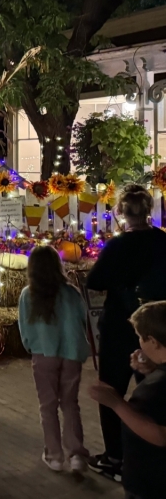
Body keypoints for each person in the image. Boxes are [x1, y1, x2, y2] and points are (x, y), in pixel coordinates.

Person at [85, 184, 166, 480]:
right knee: (155, 390)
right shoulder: (162, 240)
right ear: (148, 210)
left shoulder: (118, 246)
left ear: (120, 211)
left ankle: (115, 457)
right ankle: (154, 447)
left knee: (112, 391)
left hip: (120, 326)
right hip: (157, 326)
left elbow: (94, 281)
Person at [89, 301, 166, 499]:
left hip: (153, 492)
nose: (138, 343)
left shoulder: (159, 387)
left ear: (153, 341)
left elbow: (160, 434)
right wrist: (153, 368)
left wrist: (116, 403)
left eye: (141, 338)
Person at [17, 245, 90, 473]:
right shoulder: (71, 292)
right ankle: (76, 454)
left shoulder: (28, 294)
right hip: (72, 353)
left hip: (44, 354)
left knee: (48, 406)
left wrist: (30, 346)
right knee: (70, 404)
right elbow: (83, 320)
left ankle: (54, 455)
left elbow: (24, 327)